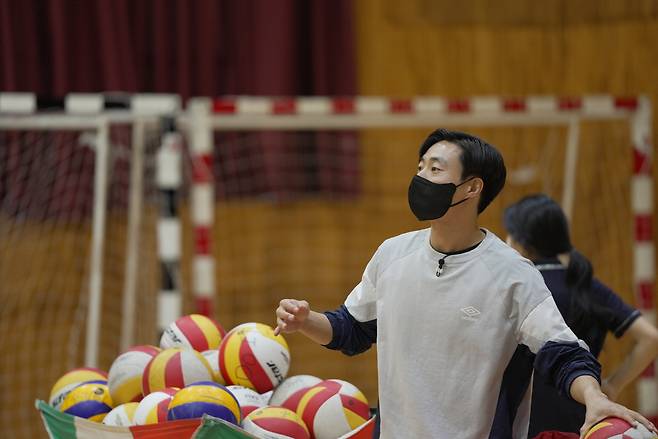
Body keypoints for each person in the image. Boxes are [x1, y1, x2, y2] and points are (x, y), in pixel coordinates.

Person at [274, 129, 656, 439]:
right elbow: (351, 330)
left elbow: (564, 353)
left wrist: (595, 396)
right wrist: (305, 320)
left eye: (436, 170)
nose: (421, 178)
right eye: (420, 167)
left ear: (472, 188)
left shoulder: (513, 274)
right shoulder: (391, 255)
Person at [503, 194, 658, 438]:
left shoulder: (520, 289)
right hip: (584, 425)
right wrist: (612, 385)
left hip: (528, 429)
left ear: (520, 241)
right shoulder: (585, 285)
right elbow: (651, 338)